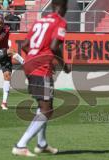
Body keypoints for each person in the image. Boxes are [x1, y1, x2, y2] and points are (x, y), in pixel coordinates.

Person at [12, 0, 71, 157]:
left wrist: (34, 58)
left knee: (44, 105)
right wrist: (64, 65)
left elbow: (25, 44)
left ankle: (42, 144)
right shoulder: (60, 22)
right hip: (41, 68)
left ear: (52, 6)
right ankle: (20, 145)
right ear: (64, 6)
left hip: (30, 64)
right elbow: (54, 46)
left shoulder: (40, 20)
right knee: (47, 110)